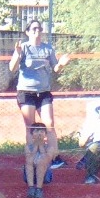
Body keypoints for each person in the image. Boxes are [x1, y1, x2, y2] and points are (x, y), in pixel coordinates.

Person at [10, 19, 70, 161]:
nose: (37, 32)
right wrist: (18, 55)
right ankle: (33, 155)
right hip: (26, 92)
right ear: (28, 32)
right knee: (31, 127)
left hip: (43, 92)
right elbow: (12, 68)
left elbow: (55, 68)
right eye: (34, 29)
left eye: (39, 29)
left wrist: (61, 64)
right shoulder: (23, 47)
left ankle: (54, 156)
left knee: (49, 124)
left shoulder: (47, 48)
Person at [24, 122, 57, 198]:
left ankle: (39, 189)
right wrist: (35, 147)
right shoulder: (28, 147)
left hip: (45, 174)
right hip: (30, 174)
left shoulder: (50, 148)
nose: (39, 134)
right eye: (36, 131)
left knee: (41, 163)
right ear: (32, 135)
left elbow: (46, 160)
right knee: (28, 163)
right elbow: (29, 160)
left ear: (45, 134)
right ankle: (31, 188)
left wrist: (41, 146)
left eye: (42, 131)